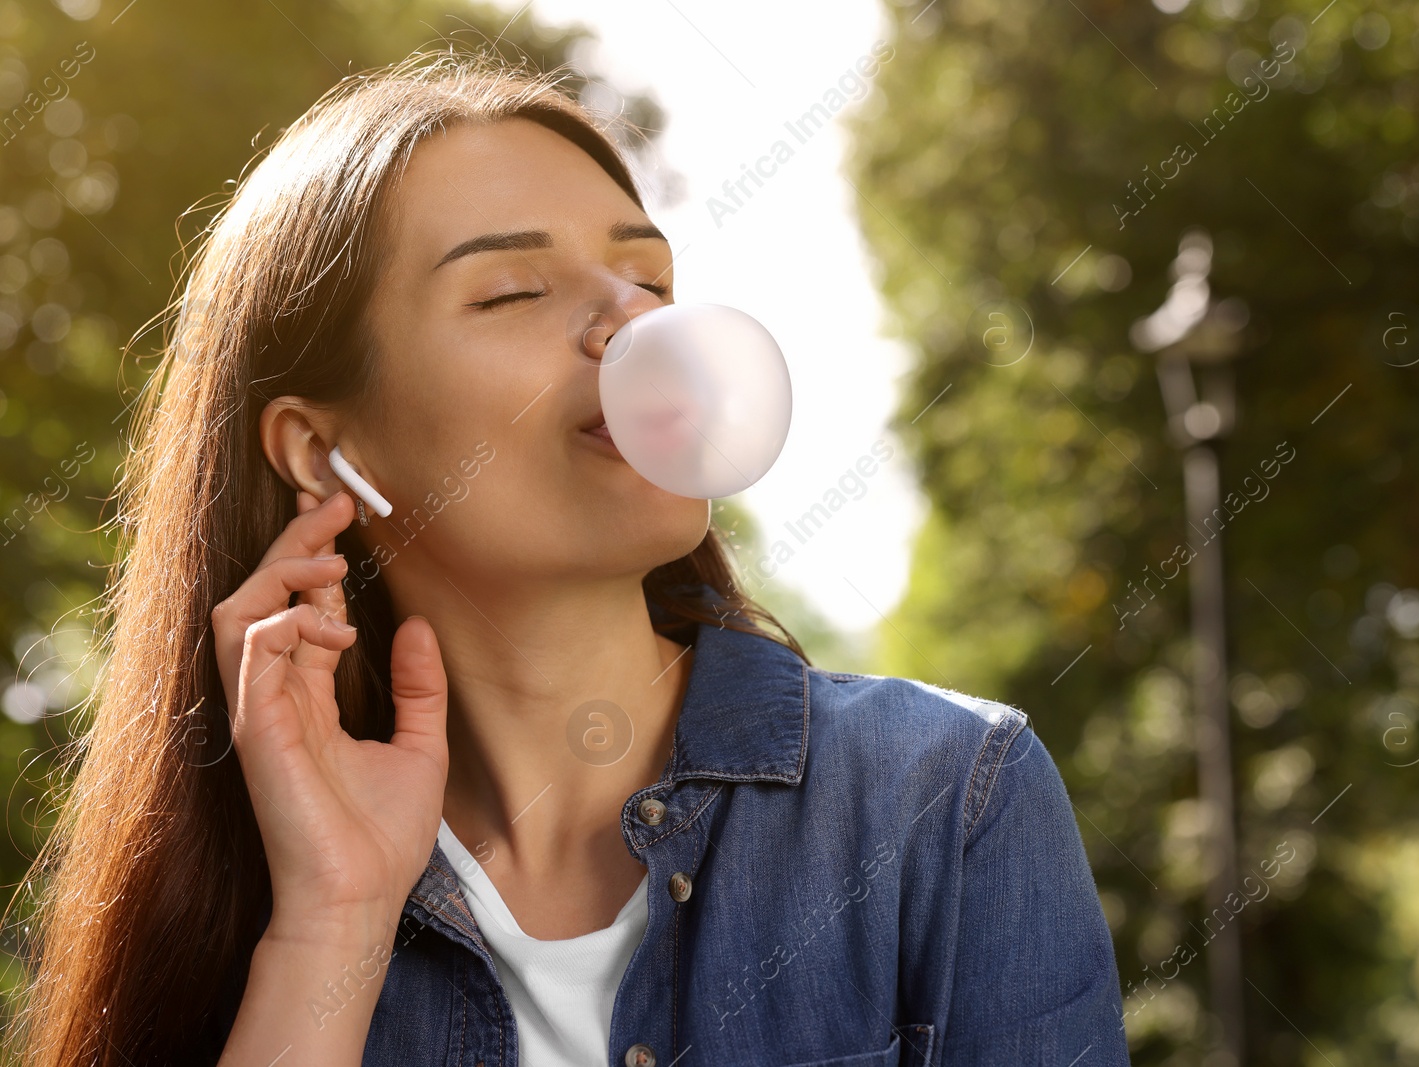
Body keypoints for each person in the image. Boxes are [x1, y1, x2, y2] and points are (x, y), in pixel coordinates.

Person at [1, 49, 1130, 1067]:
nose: (629, 323)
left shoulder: (946, 796)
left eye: (648, 279)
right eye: (512, 290)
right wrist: (331, 920)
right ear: (322, 448)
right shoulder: (254, 895)